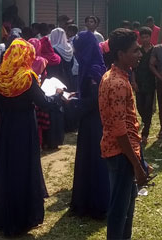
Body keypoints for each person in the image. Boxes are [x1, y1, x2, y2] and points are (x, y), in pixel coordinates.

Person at [0, 39, 61, 236]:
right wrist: (57, 95)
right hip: (25, 127)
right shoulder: (27, 77)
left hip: (8, 127)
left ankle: (4, 215)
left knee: (8, 168)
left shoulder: (0, 77)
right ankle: (24, 216)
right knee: (25, 168)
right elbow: (43, 102)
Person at [99, 28, 148, 240]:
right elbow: (120, 131)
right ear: (121, 54)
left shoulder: (112, 76)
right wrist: (137, 165)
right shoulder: (118, 83)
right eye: (135, 50)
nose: (140, 54)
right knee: (120, 210)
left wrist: (140, 159)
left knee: (127, 206)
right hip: (121, 153)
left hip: (124, 150)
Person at [69, 31, 110, 219]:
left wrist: (73, 103)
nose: (75, 53)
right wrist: (76, 96)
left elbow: (94, 100)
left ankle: (95, 203)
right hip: (90, 122)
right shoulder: (93, 66)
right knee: (88, 160)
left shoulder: (93, 70)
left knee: (94, 160)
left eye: (78, 49)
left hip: (94, 123)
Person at [39, 36, 65, 149]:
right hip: (56, 87)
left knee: (46, 116)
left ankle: (46, 141)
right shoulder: (57, 58)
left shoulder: (40, 60)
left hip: (44, 89)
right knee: (56, 114)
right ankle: (56, 140)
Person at [134, 27, 156, 145]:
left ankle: (145, 134)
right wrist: (133, 82)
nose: (145, 39)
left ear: (150, 37)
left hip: (150, 83)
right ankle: (146, 121)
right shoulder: (138, 50)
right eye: (143, 37)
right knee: (139, 107)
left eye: (147, 37)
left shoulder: (155, 50)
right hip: (139, 82)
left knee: (148, 107)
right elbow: (133, 68)